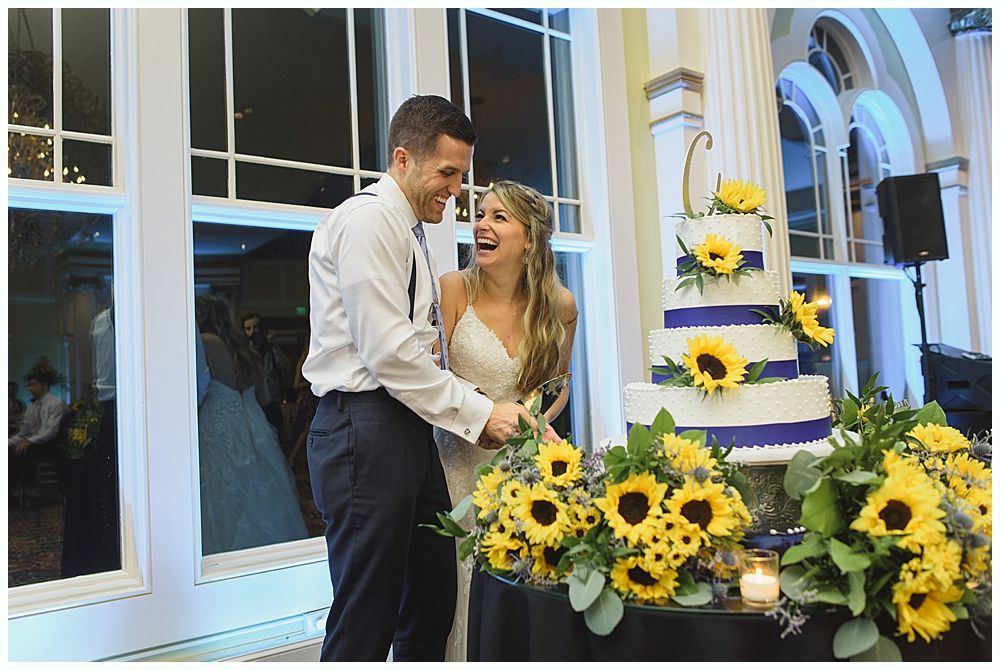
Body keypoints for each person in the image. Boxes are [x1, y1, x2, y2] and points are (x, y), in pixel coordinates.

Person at [303, 94, 531, 662]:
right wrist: (480, 414)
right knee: (366, 616)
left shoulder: (408, 229)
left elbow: (416, 346)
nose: (457, 192)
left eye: (461, 176)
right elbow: (388, 355)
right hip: (363, 429)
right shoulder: (368, 222)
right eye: (447, 174)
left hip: (403, 430)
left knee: (432, 597)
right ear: (403, 159)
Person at [435, 180, 578, 661]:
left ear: (531, 239)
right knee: (459, 596)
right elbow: (431, 380)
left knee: (522, 596)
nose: (482, 225)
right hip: (456, 470)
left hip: (525, 476)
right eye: (480, 214)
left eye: (498, 217)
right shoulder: (454, 290)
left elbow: (557, 390)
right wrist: (483, 418)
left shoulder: (560, 305)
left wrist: (534, 425)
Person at [195, 294, 307, 555]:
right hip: (248, 421)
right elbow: (263, 393)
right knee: (251, 484)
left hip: (217, 421)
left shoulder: (204, 343)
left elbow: (198, 389)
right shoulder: (237, 345)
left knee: (220, 487)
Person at [8, 358, 67, 506]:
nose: (30, 388)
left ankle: (30, 491)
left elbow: (50, 432)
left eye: (33, 384)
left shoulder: (54, 403)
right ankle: (12, 491)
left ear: (44, 386)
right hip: (36, 440)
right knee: (10, 450)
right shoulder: (32, 405)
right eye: (28, 385)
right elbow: (24, 430)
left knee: (26, 450)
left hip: (52, 444)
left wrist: (28, 441)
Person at [242, 313, 288, 434]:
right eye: (248, 328)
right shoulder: (243, 351)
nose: (252, 332)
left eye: (255, 327)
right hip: (253, 403)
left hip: (273, 403)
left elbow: (285, 366)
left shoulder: (270, 349)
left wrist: (274, 345)